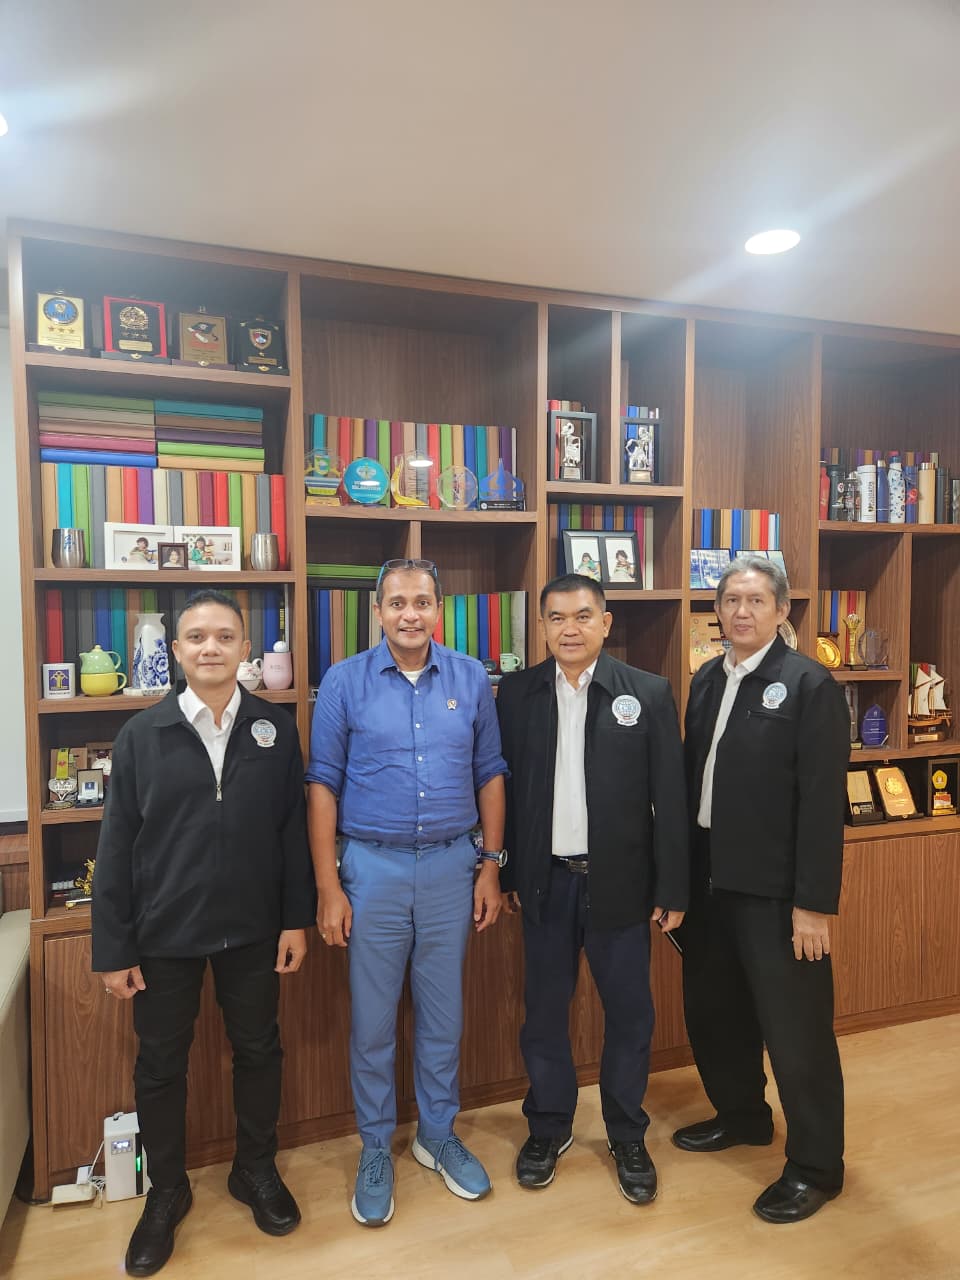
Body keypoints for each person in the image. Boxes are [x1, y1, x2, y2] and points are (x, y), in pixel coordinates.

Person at [92, 589, 315, 1277]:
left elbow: (292, 831)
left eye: (224, 636)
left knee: (260, 1050)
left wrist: (296, 919)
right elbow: (117, 847)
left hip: (254, 927)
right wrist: (114, 947)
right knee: (161, 1065)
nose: (210, 647)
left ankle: (255, 1169)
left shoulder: (274, 728)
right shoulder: (143, 735)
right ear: (176, 651)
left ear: (245, 648)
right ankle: (166, 1190)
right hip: (164, 932)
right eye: (196, 637)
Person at [306, 558, 508, 1228]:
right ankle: (374, 1147)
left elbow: (490, 772)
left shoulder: (471, 677)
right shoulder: (345, 681)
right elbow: (323, 785)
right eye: (397, 602)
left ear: (439, 609)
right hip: (372, 870)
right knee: (372, 1023)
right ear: (378, 611)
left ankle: (437, 1134)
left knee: (443, 1016)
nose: (410, 614)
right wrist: (329, 886)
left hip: (453, 867)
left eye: (422, 601)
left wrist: (490, 866)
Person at [496, 573, 688, 1203]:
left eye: (583, 616)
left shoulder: (647, 692)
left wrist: (673, 886)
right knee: (544, 1016)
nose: (569, 629)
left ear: (606, 623)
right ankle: (548, 1127)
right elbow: (507, 791)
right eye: (556, 618)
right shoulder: (517, 694)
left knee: (630, 1015)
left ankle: (626, 1134)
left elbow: (670, 796)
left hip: (621, 885)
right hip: (544, 885)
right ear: (542, 627)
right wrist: (509, 874)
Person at [676, 555, 849, 1224]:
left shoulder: (809, 685)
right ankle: (743, 1115)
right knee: (715, 1013)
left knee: (796, 1033)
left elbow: (822, 803)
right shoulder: (705, 679)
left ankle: (816, 1166)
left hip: (778, 894)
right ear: (717, 612)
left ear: (782, 611)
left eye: (755, 600)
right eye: (731, 600)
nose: (741, 611)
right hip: (709, 881)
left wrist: (814, 905)